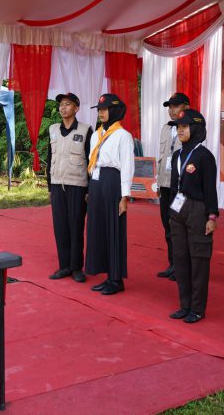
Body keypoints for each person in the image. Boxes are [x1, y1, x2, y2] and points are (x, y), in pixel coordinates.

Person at [167, 109, 218, 324]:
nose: (180, 130)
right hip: (178, 208)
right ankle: (184, 305)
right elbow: (173, 186)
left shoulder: (204, 156)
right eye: (178, 127)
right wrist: (170, 211)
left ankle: (197, 308)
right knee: (180, 257)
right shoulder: (177, 155)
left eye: (184, 127)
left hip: (198, 209)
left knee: (198, 259)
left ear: (196, 128)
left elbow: (210, 189)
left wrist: (211, 217)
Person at [85, 94, 135, 296]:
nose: (101, 113)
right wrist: (90, 188)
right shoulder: (96, 134)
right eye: (99, 109)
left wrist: (124, 196)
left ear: (114, 111)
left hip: (113, 181)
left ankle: (116, 279)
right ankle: (106, 275)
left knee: (114, 228)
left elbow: (127, 166)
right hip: (97, 182)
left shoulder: (123, 135)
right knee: (98, 228)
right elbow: (92, 161)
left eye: (104, 109)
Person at [46, 93, 93, 283]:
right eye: (61, 105)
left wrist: (89, 189)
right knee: (60, 227)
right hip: (58, 184)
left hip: (78, 186)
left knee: (76, 226)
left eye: (67, 104)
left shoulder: (86, 130)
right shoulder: (53, 130)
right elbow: (50, 157)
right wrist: (50, 186)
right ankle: (64, 266)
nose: (63, 108)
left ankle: (76, 268)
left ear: (76, 108)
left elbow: (91, 160)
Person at [157, 92, 190, 280]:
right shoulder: (165, 128)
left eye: (175, 106)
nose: (171, 110)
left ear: (186, 107)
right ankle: (173, 264)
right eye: (169, 107)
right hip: (165, 184)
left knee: (180, 227)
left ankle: (183, 266)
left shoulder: (191, 127)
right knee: (167, 226)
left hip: (180, 186)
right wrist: (158, 182)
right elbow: (162, 157)